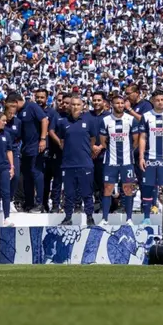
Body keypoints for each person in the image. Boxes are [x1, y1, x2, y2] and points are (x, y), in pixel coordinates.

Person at [50, 95, 102, 226]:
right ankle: (68, 217)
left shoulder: (88, 121)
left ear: (83, 106)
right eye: (73, 105)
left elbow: (93, 139)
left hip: (85, 163)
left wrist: (86, 151)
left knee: (87, 193)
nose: (75, 107)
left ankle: (89, 217)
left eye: (78, 105)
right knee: (69, 194)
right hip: (68, 164)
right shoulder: (63, 122)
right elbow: (61, 141)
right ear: (69, 106)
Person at [136, 90, 163, 226]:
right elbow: (142, 138)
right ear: (153, 101)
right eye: (157, 100)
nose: (160, 102)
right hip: (150, 157)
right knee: (147, 188)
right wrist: (141, 157)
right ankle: (146, 217)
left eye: (162, 100)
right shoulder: (146, 116)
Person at [98, 92, 139, 225]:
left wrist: (128, 151)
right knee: (108, 188)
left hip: (127, 161)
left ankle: (129, 219)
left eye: (122, 103)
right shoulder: (105, 120)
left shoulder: (131, 119)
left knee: (128, 188)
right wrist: (112, 151)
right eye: (117, 103)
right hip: (111, 161)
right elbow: (103, 141)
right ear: (111, 105)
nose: (120, 105)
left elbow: (136, 140)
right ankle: (104, 219)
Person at [5, 91, 49, 213]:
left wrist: (43, 139)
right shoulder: (18, 114)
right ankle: (29, 203)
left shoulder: (32, 106)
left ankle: (40, 203)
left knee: (36, 173)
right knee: (27, 177)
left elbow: (44, 120)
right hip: (25, 148)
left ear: (15, 102)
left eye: (12, 105)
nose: (12, 109)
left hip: (36, 146)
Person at [37, 90, 64, 213]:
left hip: (57, 151)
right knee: (44, 179)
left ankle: (55, 204)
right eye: (59, 100)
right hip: (42, 150)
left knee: (57, 180)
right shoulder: (36, 111)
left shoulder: (53, 113)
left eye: (42, 97)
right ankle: (42, 203)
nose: (61, 103)